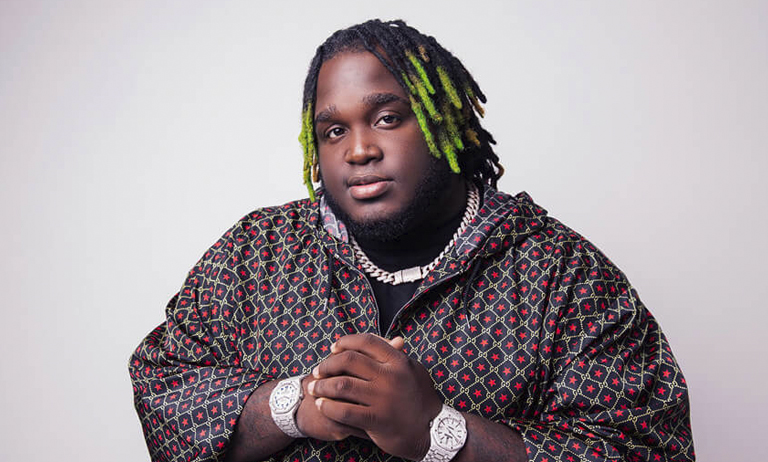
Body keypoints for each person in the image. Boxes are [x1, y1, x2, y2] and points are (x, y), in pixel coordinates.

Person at [129, 19, 695, 462]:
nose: (358, 151)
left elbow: (647, 450)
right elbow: (163, 388)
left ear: (445, 121)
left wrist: (437, 431)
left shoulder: (565, 275)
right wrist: (296, 406)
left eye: (387, 118)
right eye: (334, 131)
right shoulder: (255, 253)